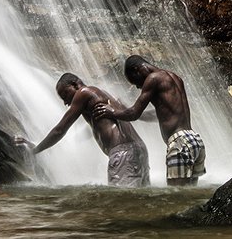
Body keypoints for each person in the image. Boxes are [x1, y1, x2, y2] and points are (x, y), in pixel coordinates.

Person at [16, 72, 150, 187]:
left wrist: (35, 151)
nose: (65, 102)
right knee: (140, 200)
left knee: (122, 202)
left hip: (123, 153)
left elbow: (60, 130)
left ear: (75, 84)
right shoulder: (101, 94)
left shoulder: (84, 93)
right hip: (138, 148)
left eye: (65, 94)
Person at [93, 55, 205, 186]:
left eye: (135, 82)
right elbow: (157, 114)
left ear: (137, 70)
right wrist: (128, 111)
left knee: (177, 195)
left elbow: (133, 113)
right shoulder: (174, 78)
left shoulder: (153, 79)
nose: (138, 87)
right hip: (194, 141)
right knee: (190, 195)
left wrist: (112, 111)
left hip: (179, 143)